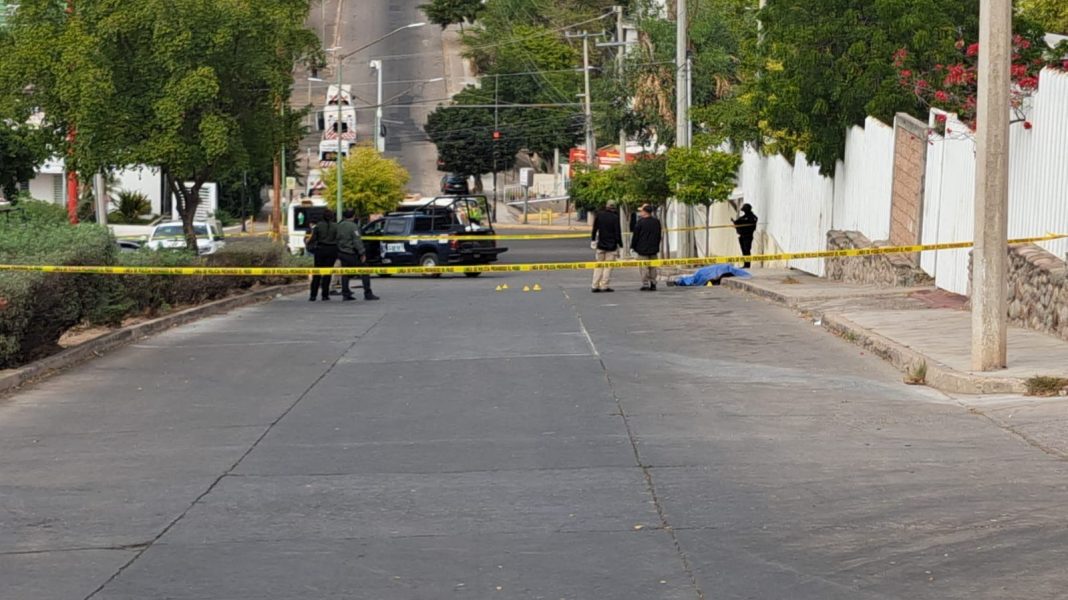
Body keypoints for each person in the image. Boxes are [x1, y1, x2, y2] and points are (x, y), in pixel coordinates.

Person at [336, 209, 380, 302]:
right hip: (351, 252)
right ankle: (368, 293)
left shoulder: (339, 226)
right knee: (364, 270)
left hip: (341, 252)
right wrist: (362, 253)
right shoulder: (353, 226)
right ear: (353, 216)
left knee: (345, 273)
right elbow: (357, 241)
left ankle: (345, 294)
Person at [591, 200, 623, 293]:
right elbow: (617, 232)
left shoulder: (599, 215)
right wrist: (621, 245)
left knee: (599, 265)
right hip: (611, 246)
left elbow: (594, 229)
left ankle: (594, 285)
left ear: (606, 206)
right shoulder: (615, 217)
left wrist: (593, 240)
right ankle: (604, 286)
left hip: (601, 245)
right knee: (608, 267)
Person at [630, 204, 663, 291]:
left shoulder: (640, 222)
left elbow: (635, 236)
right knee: (653, 267)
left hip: (642, 249)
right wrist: (656, 245)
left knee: (643, 267)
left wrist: (633, 247)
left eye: (641, 211)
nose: (640, 212)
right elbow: (659, 235)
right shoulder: (656, 222)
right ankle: (653, 283)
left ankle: (645, 284)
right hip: (653, 249)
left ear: (645, 212)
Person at [308, 209, 338, 301]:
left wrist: (310, 246)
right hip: (332, 250)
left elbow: (313, 239)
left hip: (320, 250)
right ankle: (325, 295)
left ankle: (313, 295)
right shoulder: (336, 226)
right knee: (327, 273)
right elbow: (338, 238)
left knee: (317, 273)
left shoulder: (318, 226)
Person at [732, 203, 758, 269]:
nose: (744, 212)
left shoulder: (752, 217)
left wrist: (742, 222)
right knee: (743, 250)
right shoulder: (744, 217)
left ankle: (747, 265)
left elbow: (752, 222)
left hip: (748, 236)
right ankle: (745, 264)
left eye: (745, 210)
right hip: (742, 236)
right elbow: (738, 222)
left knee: (747, 250)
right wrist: (735, 222)